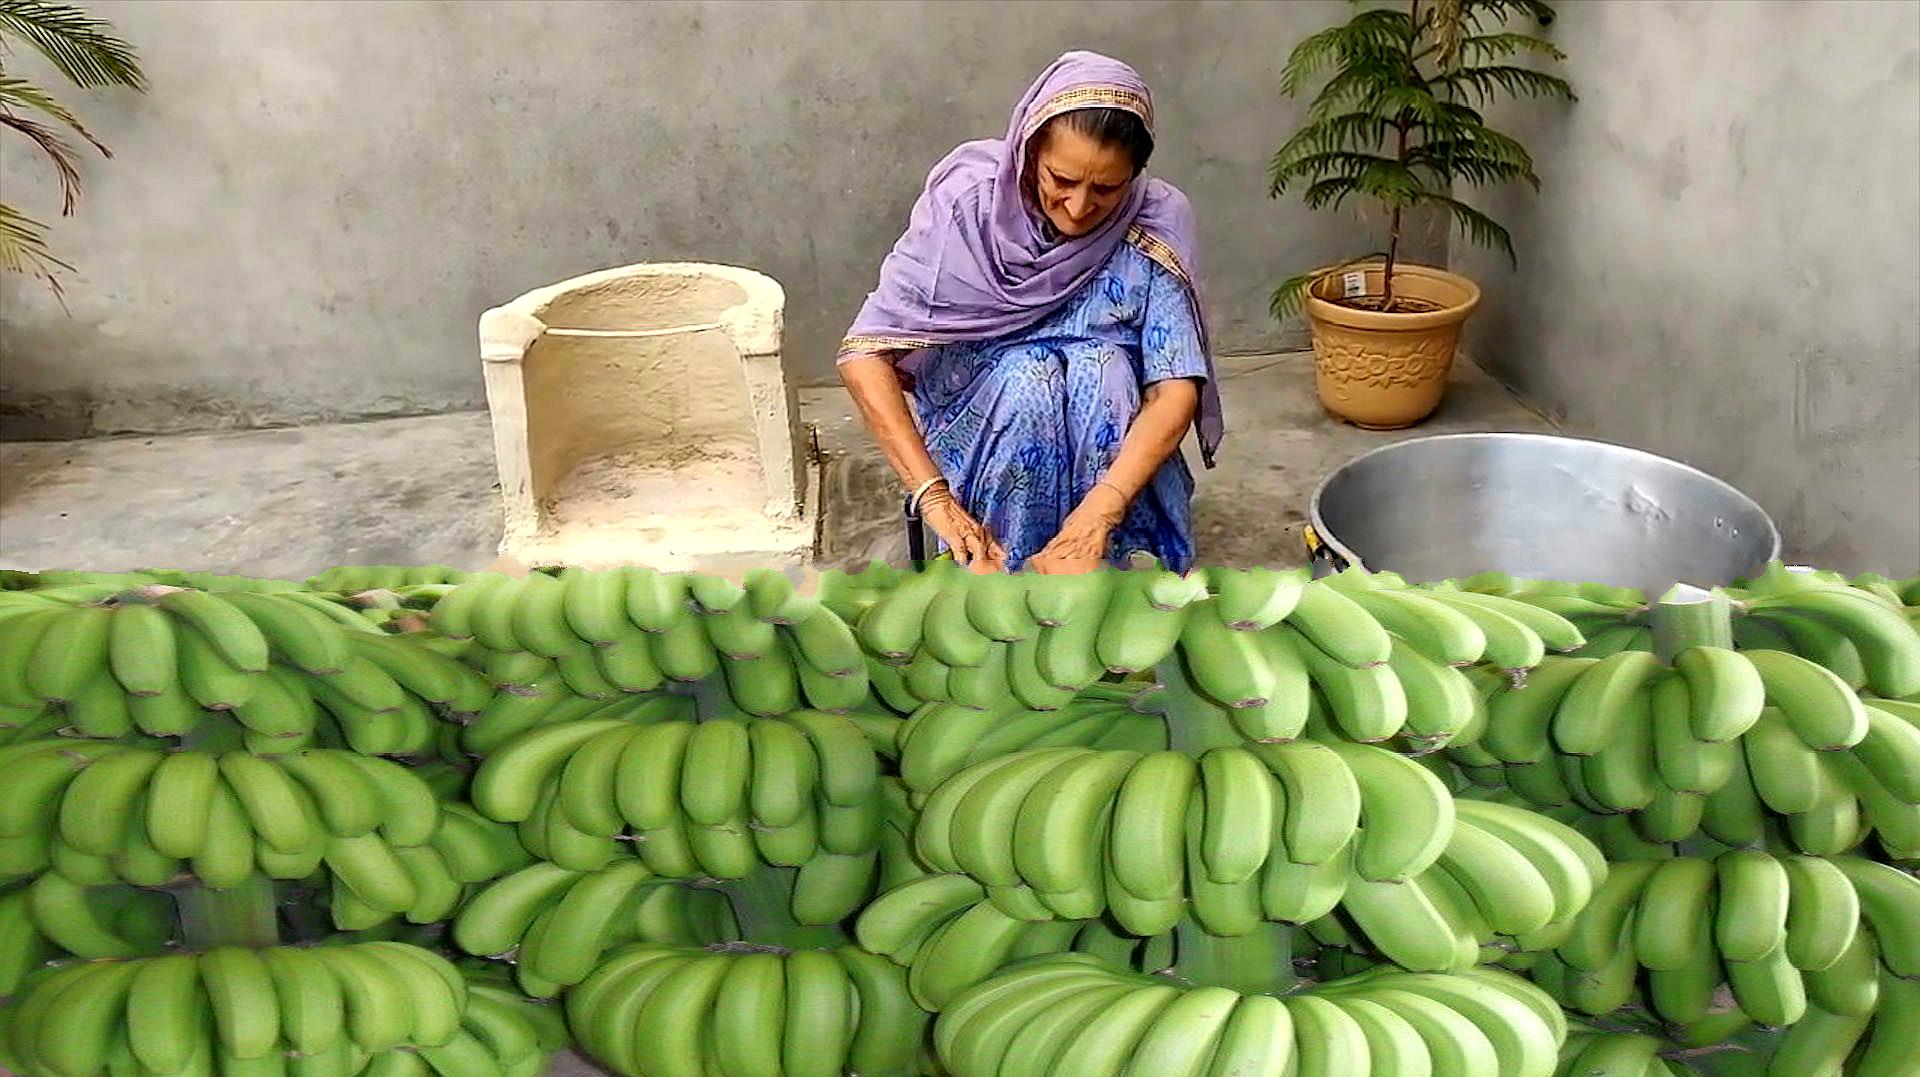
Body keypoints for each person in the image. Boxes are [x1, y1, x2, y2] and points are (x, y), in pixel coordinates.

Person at [837, 50, 1224, 575]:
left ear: (1136, 175)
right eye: (1060, 179)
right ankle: (1002, 583)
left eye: (1107, 188)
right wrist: (934, 497)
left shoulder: (1155, 223)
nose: (1080, 206)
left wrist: (1100, 511)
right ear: (1028, 150)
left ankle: (1097, 574)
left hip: (1109, 438)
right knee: (1030, 379)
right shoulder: (968, 208)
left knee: (1103, 369)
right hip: (982, 425)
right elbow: (866, 355)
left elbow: (1174, 386)